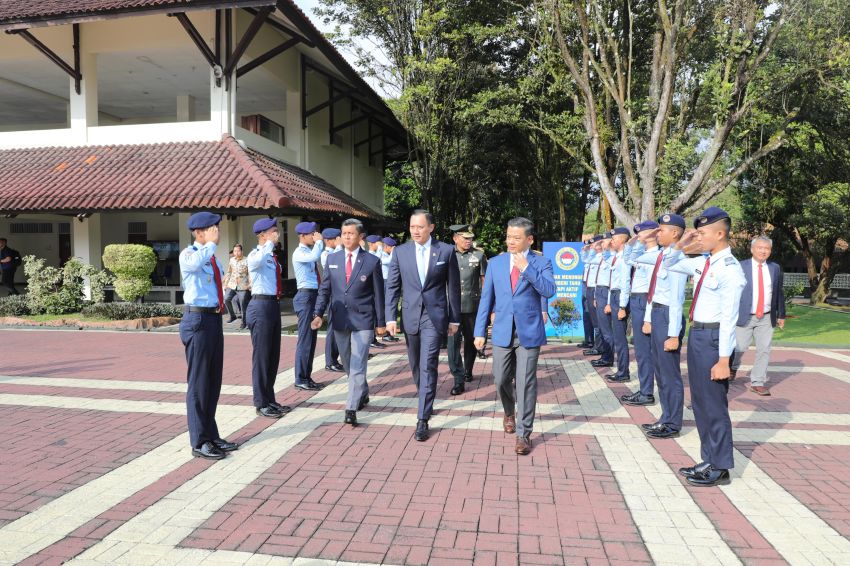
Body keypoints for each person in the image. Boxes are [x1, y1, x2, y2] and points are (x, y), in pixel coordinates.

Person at [663, 207, 746, 487]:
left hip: (714, 340)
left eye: (703, 233)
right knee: (699, 403)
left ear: (720, 234)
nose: (698, 237)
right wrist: (682, 244)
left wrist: (725, 360)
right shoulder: (703, 262)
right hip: (697, 336)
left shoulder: (730, 270)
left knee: (714, 405)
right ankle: (708, 458)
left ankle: (721, 466)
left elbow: (729, 319)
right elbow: (668, 263)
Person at [474, 217, 555, 455]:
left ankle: (524, 433)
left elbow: (549, 290)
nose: (510, 241)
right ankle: (509, 412)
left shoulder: (541, 262)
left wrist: (526, 269)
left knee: (526, 382)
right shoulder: (496, 263)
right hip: (501, 331)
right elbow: (486, 298)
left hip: (528, 332)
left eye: (516, 238)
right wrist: (480, 331)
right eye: (509, 236)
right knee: (500, 378)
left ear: (529, 239)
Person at [385, 209, 461, 442]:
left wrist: (454, 318)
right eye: (412, 227)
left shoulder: (446, 251)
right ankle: (424, 396)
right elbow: (392, 286)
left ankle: (422, 418)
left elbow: (453, 288)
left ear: (431, 227)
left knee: (428, 363)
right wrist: (390, 317)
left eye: (419, 226)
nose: (415, 231)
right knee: (416, 364)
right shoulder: (400, 252)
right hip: (410, 316)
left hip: (434, 316)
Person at [312, 219, 386, 426]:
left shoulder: (371, 261)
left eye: (350, 234)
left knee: (357, 362)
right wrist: (318, 313)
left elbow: (379, 295)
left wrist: (380, 322)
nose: (346, 237)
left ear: (360, 236)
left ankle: (351, 408)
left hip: (363, 319)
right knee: (347, 363)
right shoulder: (333, 259)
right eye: (344, 233)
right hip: (339, 319)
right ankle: (362, 391)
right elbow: (325, 289)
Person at [178, 212, 237, 460]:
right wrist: (210, 244)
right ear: (200, 231)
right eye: (214, 229)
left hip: (213, 318)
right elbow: (192, 267)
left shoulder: (212, 257)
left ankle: (211, 435)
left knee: (213, 381)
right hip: (197, 320)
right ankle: (199, 441)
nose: (218, 233)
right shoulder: (189, 254)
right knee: (199, 383)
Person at [633, 214, 688, 440]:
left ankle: (673, 423)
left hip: (668, 318)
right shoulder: (662, 255)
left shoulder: (677, 259)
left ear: (675, 233)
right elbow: (630, 259)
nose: (657, 233)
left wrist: (673, 334)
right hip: (657, 313)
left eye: (661, 230)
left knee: (669, 374)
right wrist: (639, 239)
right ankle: (665, 418)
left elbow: (676, 300)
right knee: (660, 372)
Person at [246, 219, 291, 419]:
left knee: (273, 356)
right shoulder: (256, 254)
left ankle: (270, 399)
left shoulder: (271, 257)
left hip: (273, 304)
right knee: (262, 356)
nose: (277, 235)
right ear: (263, 234)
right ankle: (260, 402)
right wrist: (268, 245)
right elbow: (255, 264)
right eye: (274, 232)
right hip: (260, 305)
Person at [730, 236, 786, 396]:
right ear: (752, 249)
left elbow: (778, 292)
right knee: (739, 347)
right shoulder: (740, 266)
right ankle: (732, 367)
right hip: (744, 315)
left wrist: (781, 314)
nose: (763, 251)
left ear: (770, 251)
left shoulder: (774, 268)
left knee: (764, 349)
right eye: (760, 247)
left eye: (766, 248)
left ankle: (758, 382)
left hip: (767, 316)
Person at [619, 220, 660, 406]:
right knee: (641, 351)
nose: (638, 236)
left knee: (644, 351)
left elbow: (654, 290)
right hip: (637, 300)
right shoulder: (643, 253)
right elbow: (627, 259)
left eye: (642, 233)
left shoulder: (655, 256)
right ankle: (645, 389)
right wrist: (631, 243)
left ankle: (647, 393)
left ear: (652, 233)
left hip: (644, 301)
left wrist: (648, 318)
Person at [446, 224, 488, 395]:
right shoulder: (447, 254)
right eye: (465, 238)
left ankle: (468, 370)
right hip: (452, 308)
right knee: (452, 344)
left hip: (473, 306)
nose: (469, 241)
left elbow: (485, 282)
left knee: (471, 341)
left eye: (470, 238)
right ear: (455, 238)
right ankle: (458, 377)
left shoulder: (479, 255)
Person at [292, 221, 325, 391]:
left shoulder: (308, 251)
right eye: (312, 234)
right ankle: (300, 377)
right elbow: (314, 257)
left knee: (311, 339)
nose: (314, 236)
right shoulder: (299, 252)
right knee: (305, 338)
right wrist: (319, 242)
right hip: (305, 296)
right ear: (303, 236)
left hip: (312, 295)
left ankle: (307, 376)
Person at [604, 227, 632, 382]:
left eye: (614, 238)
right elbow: (611, 281)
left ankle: (623, 372)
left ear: (622, 240)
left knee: (620, 338)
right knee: (617, 336)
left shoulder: (625, 258)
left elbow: (625, 283)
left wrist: (622, 307)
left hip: (620, 297)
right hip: (614, 295)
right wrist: (609, 302)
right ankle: (621, 370)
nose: (611, 241)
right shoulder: (616, 257)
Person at [320, 228, 345, 372]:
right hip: (331, 293)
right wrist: (340, 246)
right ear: (330, 240)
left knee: (336, 327)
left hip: (338, 293)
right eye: (338, 238)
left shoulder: (334, 253)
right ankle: (330, 361)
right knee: (331, 328)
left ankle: (334, 358)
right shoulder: (327, 254)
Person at [591, 233, 615, 368]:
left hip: (606, 292)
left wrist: (609, 302)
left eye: (604, 241)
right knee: (602, 326)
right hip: (599, 291)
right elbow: (586, 259)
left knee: (606, 329)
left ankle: (608, 357)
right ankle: (605, 355)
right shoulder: (604, 257)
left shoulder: (613, 258)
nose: (601, 243)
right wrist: (595, 296)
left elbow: (613, 282)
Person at [582, 236, 605, 357]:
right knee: (594, 320)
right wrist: (587, 249)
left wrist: (590, 250)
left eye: (595, 244)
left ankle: (599, 346)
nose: (592, 246)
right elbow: (585, 259)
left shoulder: (602, 258)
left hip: (596, 289)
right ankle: (597, 345)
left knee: (597, 322)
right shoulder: (595, 257)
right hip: (590, 289)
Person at [223, 244, 250, 329]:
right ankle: (232, 316)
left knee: (242, 304)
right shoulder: (231, 260)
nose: (236, 253)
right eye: (235, 251)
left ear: (241, 251)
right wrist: (226, 284)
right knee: (226, 299)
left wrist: (249, 285)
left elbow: (250, 274)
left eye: (238, 251)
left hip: (243, 286)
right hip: (232, 284)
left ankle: (244, 322)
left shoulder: (247, 260)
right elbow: (229, 272)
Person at [379, 237, 401, 343]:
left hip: (388, 282)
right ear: (387, 247)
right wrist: (394, 252)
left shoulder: (387, 254)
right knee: (387, 305)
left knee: (392, 305)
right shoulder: (382, 254)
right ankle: (385, 333)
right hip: (384, 282)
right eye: (391, 248)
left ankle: (389, 333)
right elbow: (390, 261)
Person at [577, 236, 597, 349]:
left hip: (592, 288)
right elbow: (583, 257)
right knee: (586, 314)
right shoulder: (588, 258)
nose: (587, 248)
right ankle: (588, 339)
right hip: (585, 286)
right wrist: (585, 249)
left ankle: (596, 343)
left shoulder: (597, 257)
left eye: (589, 245)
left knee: (593, 315)